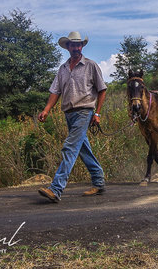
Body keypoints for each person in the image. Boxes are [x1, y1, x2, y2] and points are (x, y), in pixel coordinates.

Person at [38, 31, 107, 203]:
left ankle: (56, 189)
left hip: (84, 111)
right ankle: (98, 182)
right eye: (72, 45)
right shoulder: (62, 69)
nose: (76, 48)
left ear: (82, 46)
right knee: (82, 149)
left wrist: (97, 113)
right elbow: (55, 91)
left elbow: (102, 90)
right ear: (67, 47)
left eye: (78, 45)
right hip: (69, 113)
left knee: (69, 147)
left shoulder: (91, 65)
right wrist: (46, 109)